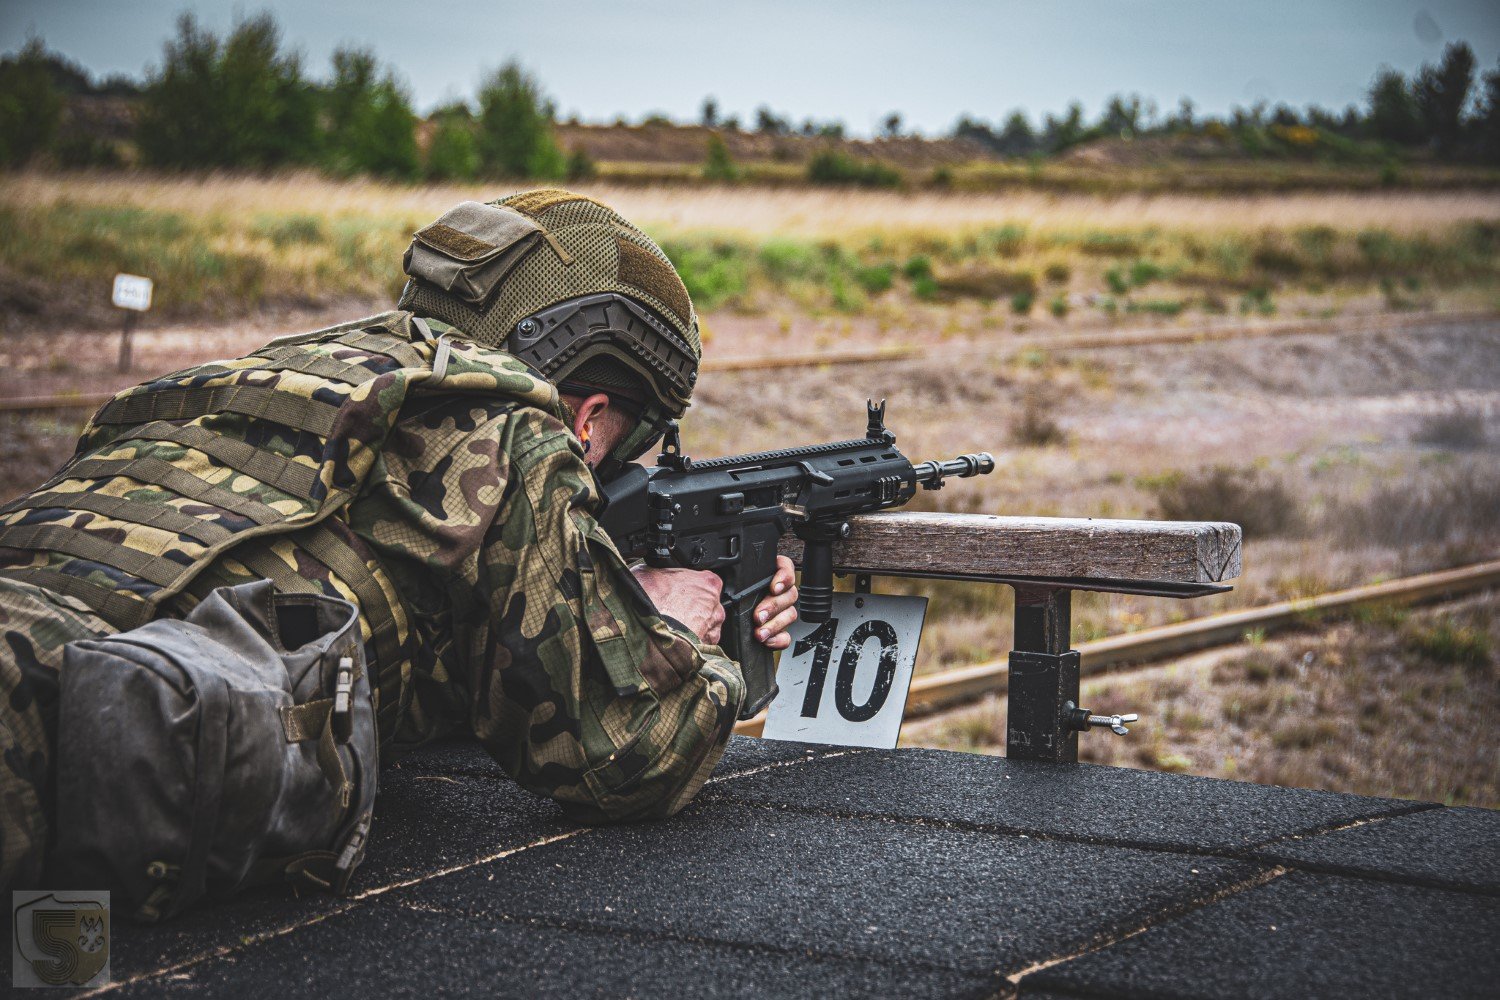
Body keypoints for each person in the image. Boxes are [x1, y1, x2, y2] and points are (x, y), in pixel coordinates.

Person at [0, 188, 799, 892]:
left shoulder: (277, 370)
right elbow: (624, 757)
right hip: (66, 719)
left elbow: (362, 575)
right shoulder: (516, 429)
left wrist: (592, 593)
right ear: (587, 422)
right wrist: (676, 636)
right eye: (625, 447)